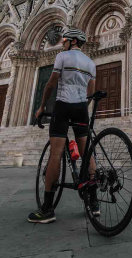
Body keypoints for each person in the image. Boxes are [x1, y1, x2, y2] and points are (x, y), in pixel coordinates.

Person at [28, 27, 99, 224]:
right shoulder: (91, 63)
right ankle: (94, 202)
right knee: (87, 153)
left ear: (72, 42)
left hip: (63, 105)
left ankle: (48, 209)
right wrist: (83, 109)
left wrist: (42, 107)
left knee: (56, 154)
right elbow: (90, 92)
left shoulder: (63, 57)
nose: (62, 43)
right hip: (81, 108)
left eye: (65, 40)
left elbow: (50, 84)